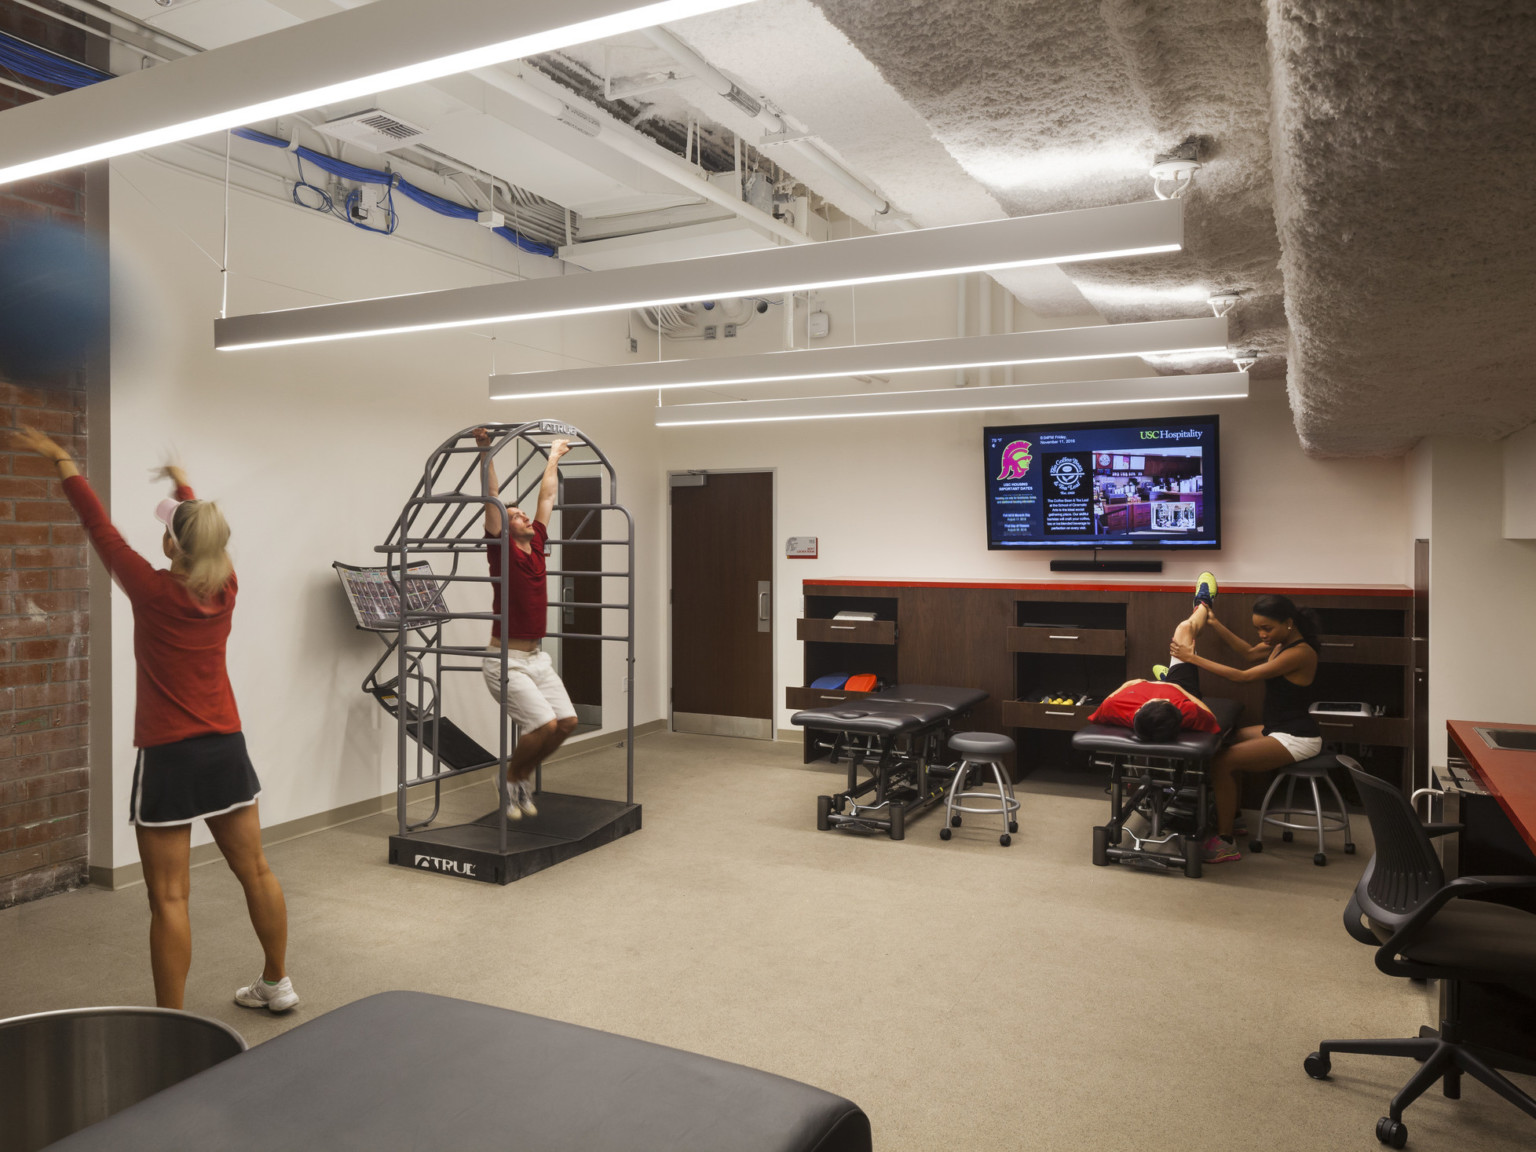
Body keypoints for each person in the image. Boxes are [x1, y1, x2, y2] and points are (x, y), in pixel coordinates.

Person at [14, 426, 296, 1013]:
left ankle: (172, 1023)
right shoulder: (228, 586)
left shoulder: (150, 589)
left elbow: (100, 527)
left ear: (170, 546)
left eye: (166, 532)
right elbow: (201, 533)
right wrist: (183, 485)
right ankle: (278, 984)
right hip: (226, 748)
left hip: (170, 757)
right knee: (258, 871)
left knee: (169, 898)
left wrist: (63, 458)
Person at [1170, 589, 1322, 865]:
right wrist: (1215, 624)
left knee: (1222, 762)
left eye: (1267, 628)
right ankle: (1234, 816)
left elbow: (1243, 676)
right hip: (1278, 727)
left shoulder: (1300, 653)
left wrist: (1191, 658)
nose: (1262, 635)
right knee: (1225, 740)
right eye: (1258, 629)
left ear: (1288, 622)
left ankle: (1226, 842)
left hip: (1297, 737)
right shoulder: (1280, 642)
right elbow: (1250, 654)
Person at [473, 428, 579, 820]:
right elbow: (493, 498)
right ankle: (511, 777)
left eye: (522, 514)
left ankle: (520, 776)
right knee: (542, 724)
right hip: (505, 661)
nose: (523, 516)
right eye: (515, 515)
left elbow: (547, 496)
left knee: (566, 723)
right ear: (505, 525)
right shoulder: (499, 548)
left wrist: (553, 456)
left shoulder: (536, 544)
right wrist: (486, 452)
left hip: (537, 658)